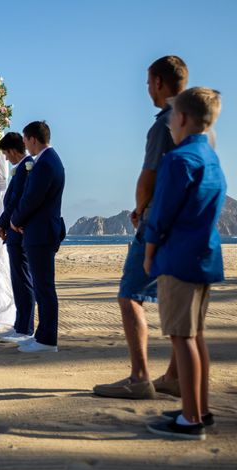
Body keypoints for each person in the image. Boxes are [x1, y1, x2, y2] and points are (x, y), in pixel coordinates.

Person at [94, 56, 188, 399]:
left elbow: (148, 177)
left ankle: (139, 376)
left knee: (130, 295)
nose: (147, 88)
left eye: (149, 82)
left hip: (155, 224)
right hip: (183, 226)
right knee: (175, 302)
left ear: (160, 83)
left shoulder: (164, 125)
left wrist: (138, 210)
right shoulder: (194, 124)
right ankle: (175, 376)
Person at [144, 87, 225, 440]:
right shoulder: (211, 157)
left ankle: (191, 419)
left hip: (179, 258)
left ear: (182, 119)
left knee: (182, 337)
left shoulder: (178, 160)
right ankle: (199, 409)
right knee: (196, 337)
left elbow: (160, 214)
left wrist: (149, 253)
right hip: (204, 255)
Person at [10, 121, 65, 353]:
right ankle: (42, 335)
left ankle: (47, 339)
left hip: (41, 232)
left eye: (25, 140)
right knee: (42, 286)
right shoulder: (49, 160)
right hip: (40, 230)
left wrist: (15, 221)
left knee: (43, 287)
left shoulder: (45, 164)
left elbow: (32, 199)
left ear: (33, 139)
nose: (24, 145)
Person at [0, 133, 36, 344]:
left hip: (18, 233)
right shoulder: (22, 168)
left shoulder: (26, 168)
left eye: (5, 153)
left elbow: (16, 202)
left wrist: (1, 222)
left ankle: (26, 328)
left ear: (12, 150)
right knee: (18, 282)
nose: (6, 158)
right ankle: (20, 325)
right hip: (15, 233)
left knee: (23, 281)